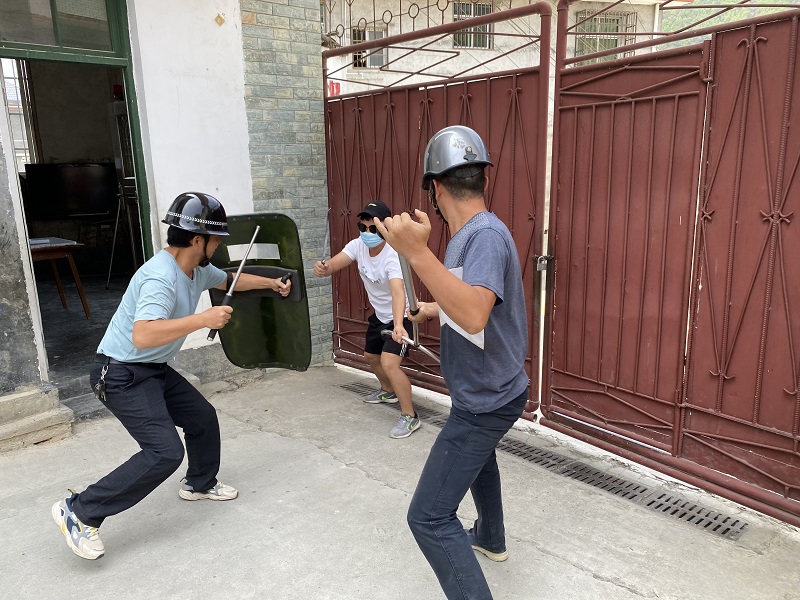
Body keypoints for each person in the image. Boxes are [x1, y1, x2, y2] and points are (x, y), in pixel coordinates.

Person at [51, 192, 291, 560]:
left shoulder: (196, 269)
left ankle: (199, 483)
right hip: (120, 374)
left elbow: (229, 280)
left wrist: (271, 284)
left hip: (153, 369)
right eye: (216, 239)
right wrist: (202, 319)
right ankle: (80, 510)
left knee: (201, 418)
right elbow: (143, 334)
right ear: (197, 240)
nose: (219, 244)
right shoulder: (159, 278)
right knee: (164, 452)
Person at [374, 126, 529, 600]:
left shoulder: (484, 236)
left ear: (436, 188)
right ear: (484, 177)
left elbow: (475, 312)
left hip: (486, 399)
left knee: (428, 517)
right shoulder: (468, 236)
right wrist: (430, 309)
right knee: (480, 461)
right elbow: (470, 300)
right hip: (488, 389)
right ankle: (490, 537)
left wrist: (416, 252)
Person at [313, 200, 421, 439]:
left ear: (385, 228)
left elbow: (398, 293)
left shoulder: (394, 255)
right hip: (379, 316)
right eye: (363, 227)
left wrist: (399, 325)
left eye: (373, 228)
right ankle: (387, 391)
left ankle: (410, 416)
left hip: (400, 316)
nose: (367, 233)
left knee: (390, 364)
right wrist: (324, 268)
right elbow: (336, 263)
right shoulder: (358, 246)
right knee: (371, 356)